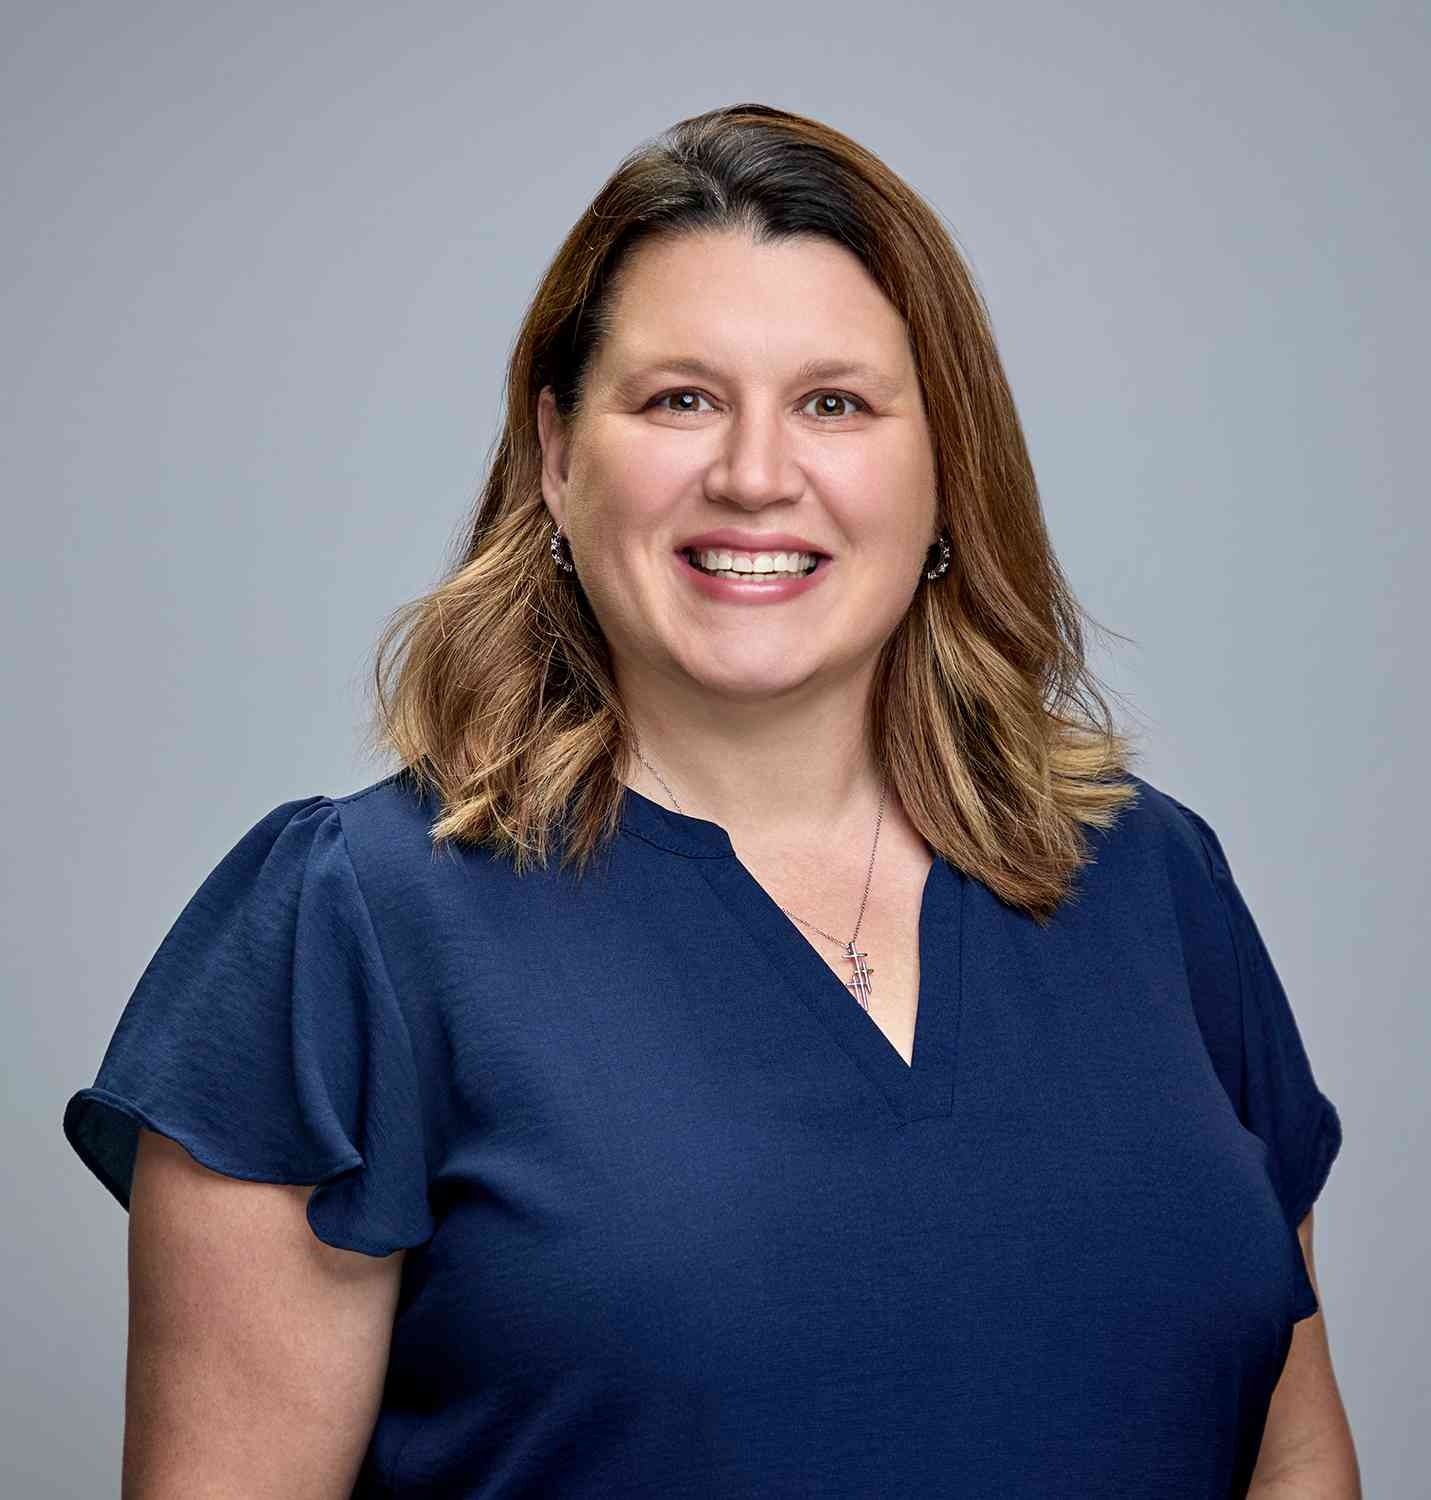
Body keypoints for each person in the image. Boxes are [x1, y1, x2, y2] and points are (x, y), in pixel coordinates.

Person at [63, 102, 1358, 1498]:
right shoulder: (354, 929)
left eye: (835, 403)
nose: (754, 475)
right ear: (558, 458)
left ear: (944, 468)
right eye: (680, 398)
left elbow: (1293, 1454)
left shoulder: (1154, 883)